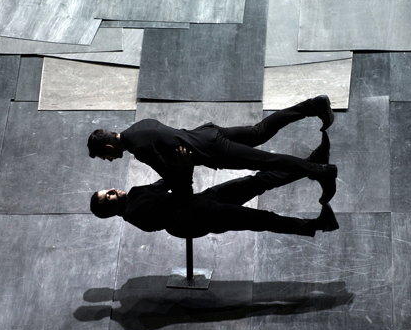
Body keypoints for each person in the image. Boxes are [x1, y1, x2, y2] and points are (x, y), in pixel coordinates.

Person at [87, 96, 338, 203]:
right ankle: (312, 105)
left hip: (213, 150)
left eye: (104, 156)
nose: (109, 160)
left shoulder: (139, 148)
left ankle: (322, 172)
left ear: (109, 146)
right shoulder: (138, 127)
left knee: (268, 162)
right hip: (207, 133)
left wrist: (177, 178)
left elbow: (172, 176)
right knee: (259, 131)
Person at [89, 133, 338, 239]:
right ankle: (318, 225)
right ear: (110, 211)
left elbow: (164, 183)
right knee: (261, 219)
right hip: (199, 217)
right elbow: (180, 198)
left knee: (258, 180)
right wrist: (185, 168)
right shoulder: (137, 213)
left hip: (202, 201)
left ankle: (312, 164)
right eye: (108, 197)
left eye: (108, 190)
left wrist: (175, 162)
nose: (112, 191)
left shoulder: (134, 195)